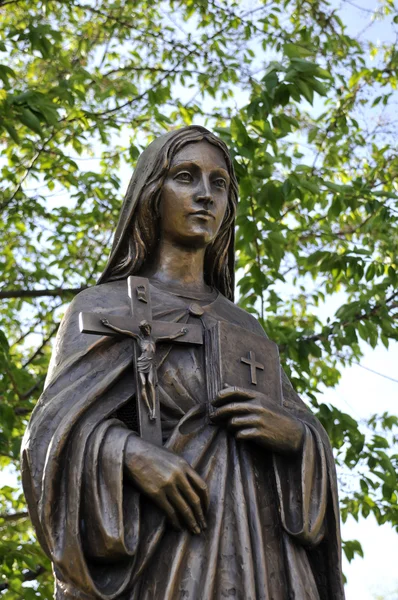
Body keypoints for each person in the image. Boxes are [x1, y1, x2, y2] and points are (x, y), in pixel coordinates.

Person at [21, 126, 345, 600]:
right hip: (166, 548)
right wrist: (130, 454)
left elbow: (301, 430)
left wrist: (297, 438)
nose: (204, 195)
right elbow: (50, 436)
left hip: (264, 553)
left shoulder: (244, 326)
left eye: (219, 184)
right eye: (185, 177)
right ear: (153, 193)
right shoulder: (104, 307)